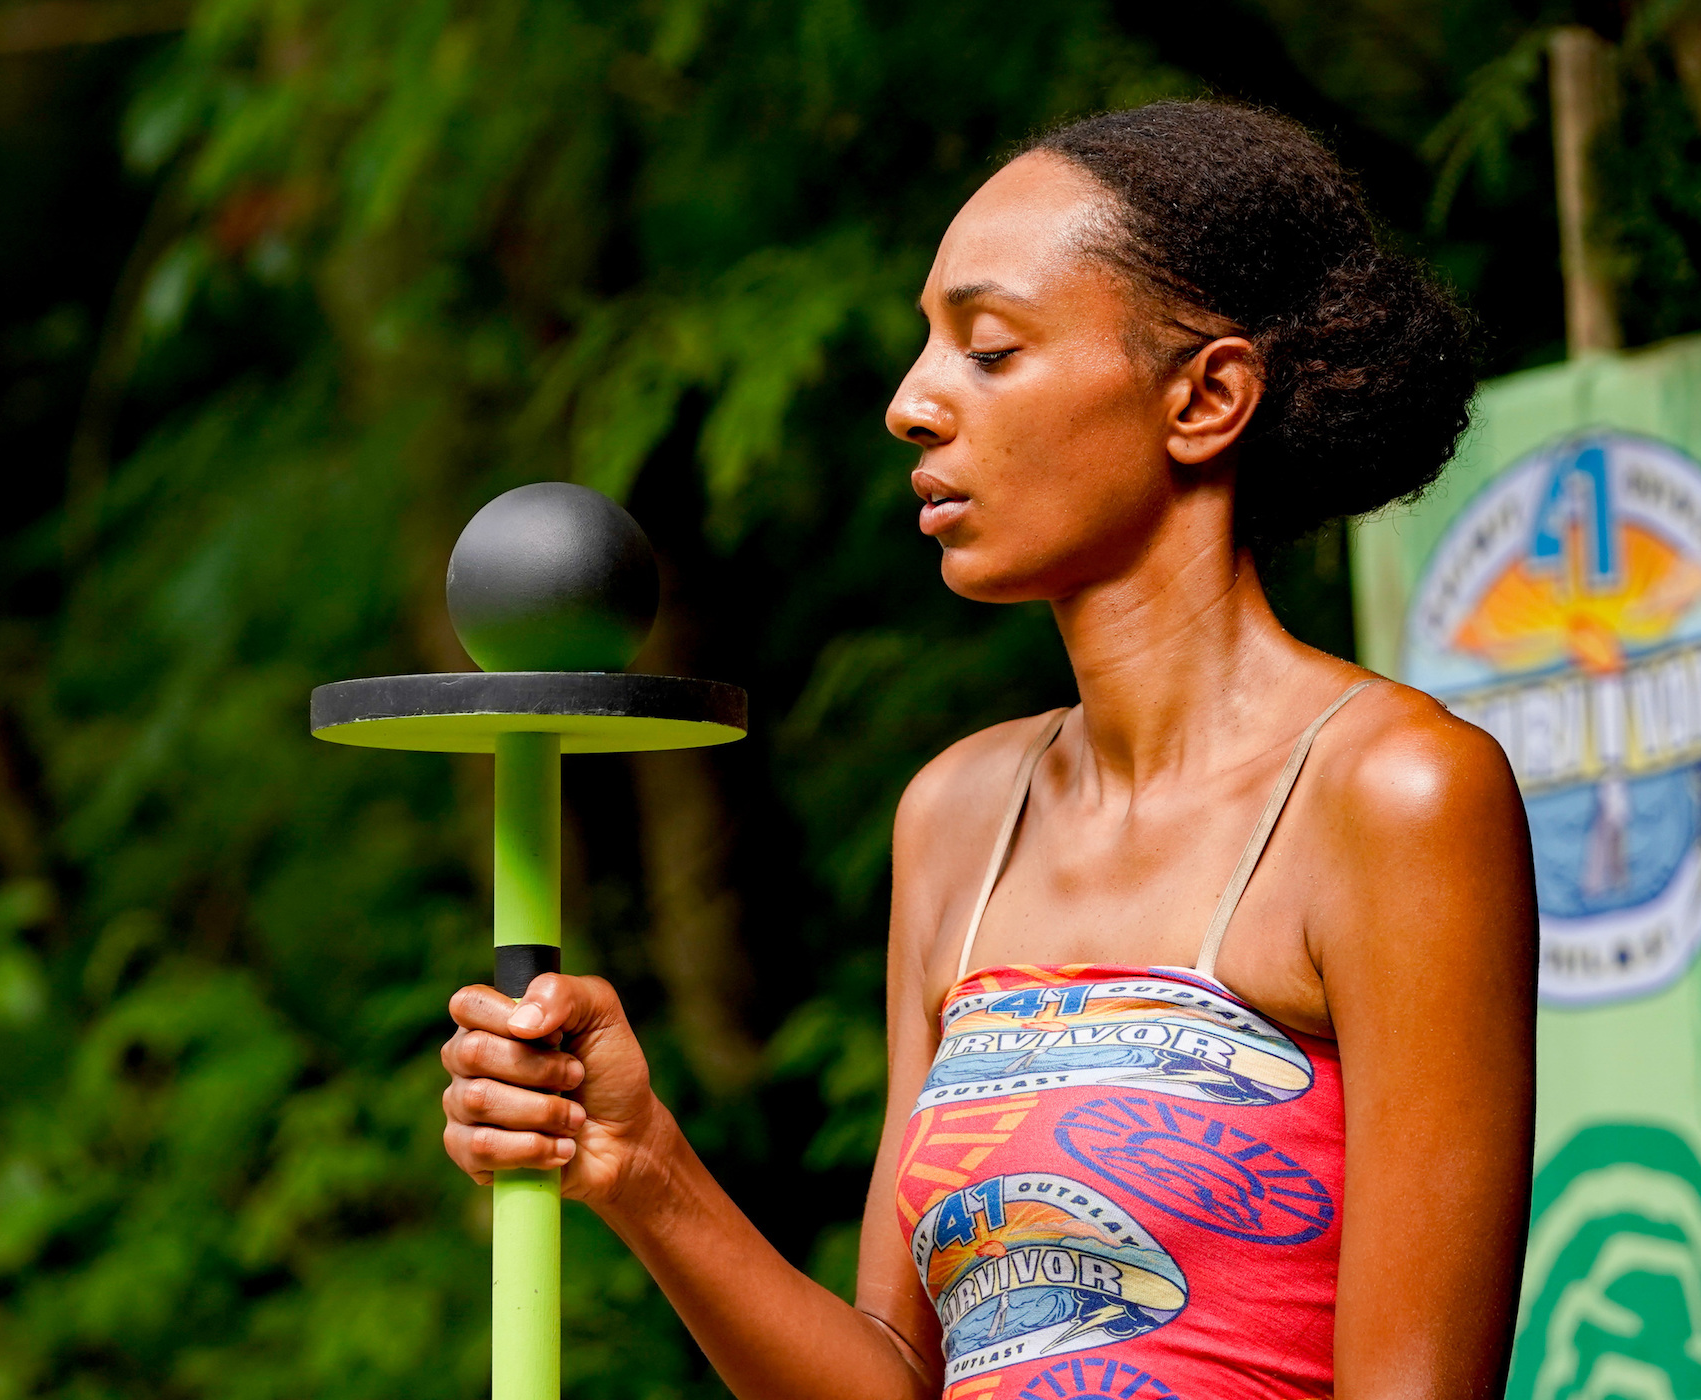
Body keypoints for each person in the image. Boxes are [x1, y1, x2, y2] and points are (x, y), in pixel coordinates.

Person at [440, 100, 1536, 1400]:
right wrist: (640, 1166)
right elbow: (895, 1376)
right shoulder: (960, 814)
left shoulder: (1394, 795)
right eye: (925, 348)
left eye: (991, 348)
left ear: (1206, 397)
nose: (911, 404)